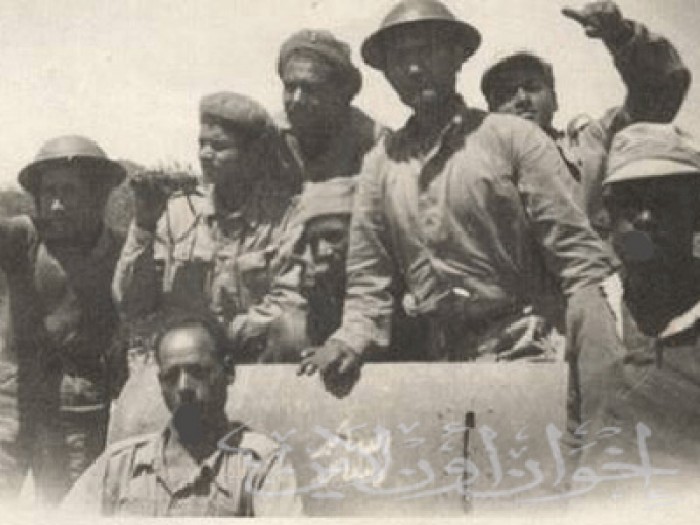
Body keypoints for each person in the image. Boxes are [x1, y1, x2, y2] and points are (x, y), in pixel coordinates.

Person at [298, 0, 616, 399]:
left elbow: (579, 262)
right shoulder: (380, 165)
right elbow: (368, 279)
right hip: (445, 363)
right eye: (399, 59)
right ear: (387, 73)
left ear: (457, 56)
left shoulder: (512, 138)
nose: (414, 69)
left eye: (427, 51)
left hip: (534, 351)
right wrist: (348, 341)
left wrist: (599, 371)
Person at [567, 123, 700, 502]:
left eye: (664, 202)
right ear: (608, 217)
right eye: (629, 202)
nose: (644, 217)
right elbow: (575, 435)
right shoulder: (587, 308)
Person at [61, 309, 302, 516]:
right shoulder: (120, 466)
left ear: (228, 371)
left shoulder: (258, 467)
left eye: (197, 372)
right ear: (160, 382)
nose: (184, 387)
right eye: (171, 376)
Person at [480, 1, 691, 236]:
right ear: (491, 113)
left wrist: (621, 36)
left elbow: (660, 93)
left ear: (555, 99)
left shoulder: (592, 144)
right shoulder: (476, 173)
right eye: (506, 93)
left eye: (532, 87)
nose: (521, 99)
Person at [113, 92, 297, 347]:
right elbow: (131, 303)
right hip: (183, 358)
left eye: (219, 147)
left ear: (252, 154)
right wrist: (144, 226)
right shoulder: (176, 214)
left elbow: (289, 303)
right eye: (202, 144)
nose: (205, 154)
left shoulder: (284, 219)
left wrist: (218, 335)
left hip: (253, 357)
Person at [0, 136, 125, 503]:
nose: (56, 204)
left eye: (69, 191)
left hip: (78, 407)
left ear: (98, 195)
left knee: (68, 504)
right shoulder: (24, 236)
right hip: (12, 396)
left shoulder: (121, 250)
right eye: (48, 192)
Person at [276, 29, 386, 188]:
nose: (297, 99)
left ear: (341, 93)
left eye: (311, 89)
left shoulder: (376, 143)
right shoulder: (270, 138)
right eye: (290, 87)